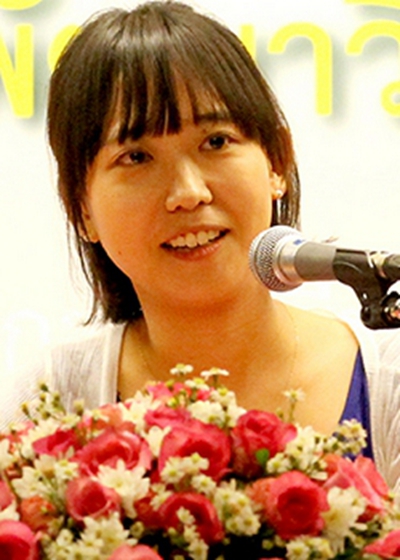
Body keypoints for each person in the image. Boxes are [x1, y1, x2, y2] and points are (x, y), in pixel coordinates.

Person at [2, 0, 400, 494]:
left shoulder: (388, 381)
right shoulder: (44, 407)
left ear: (276, 161)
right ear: (82, 207)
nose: (188, 193)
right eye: (136, 157)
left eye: (215, 142)